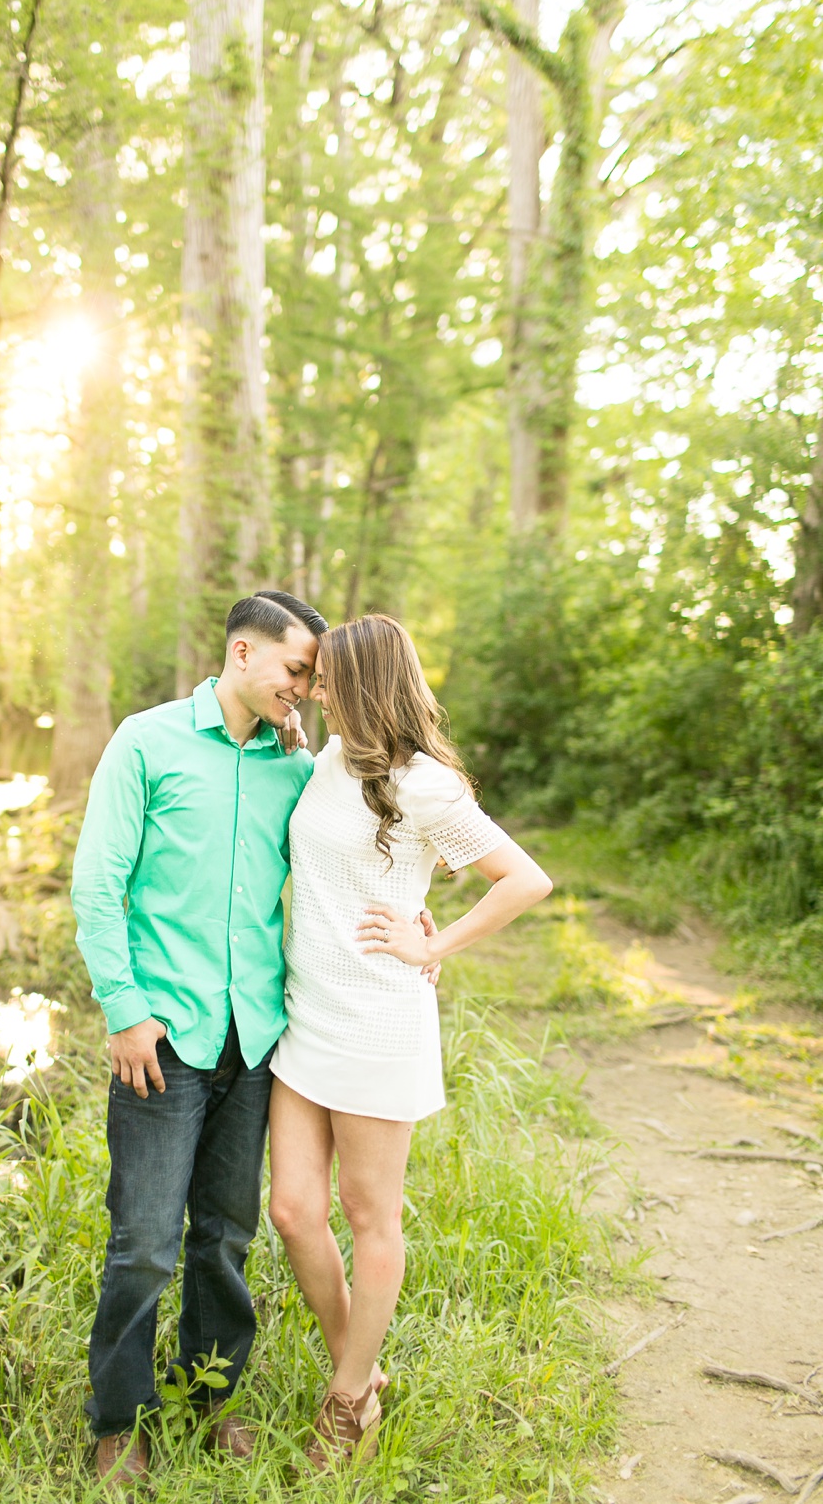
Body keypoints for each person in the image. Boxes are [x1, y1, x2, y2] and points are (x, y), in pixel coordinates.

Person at [268, 613, 552, 1471]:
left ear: (359, 683)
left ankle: (348, 1399)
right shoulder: (326, 757)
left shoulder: (425, 784)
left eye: (323, 677)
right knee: (291, 1211)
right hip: (306, 1012)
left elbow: (525, 879)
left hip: (379, 1020)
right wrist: (287, 733)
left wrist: (434, 942)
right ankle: (365, 1364)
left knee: (368, 1215)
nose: (311, 687)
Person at [70, 588, 327, 1495]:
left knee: (225, 1235)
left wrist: (411, 923)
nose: (305, 689)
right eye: (297, 670)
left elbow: (341, 869)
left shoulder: (296, 771)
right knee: (143, 1239)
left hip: (255, 1039)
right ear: (245, 652)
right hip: (163, 1036)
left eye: (313, 677)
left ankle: (212, 1395)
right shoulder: (146, 742)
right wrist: (123, 1007)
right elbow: (98, 883)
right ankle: (119, 1419)